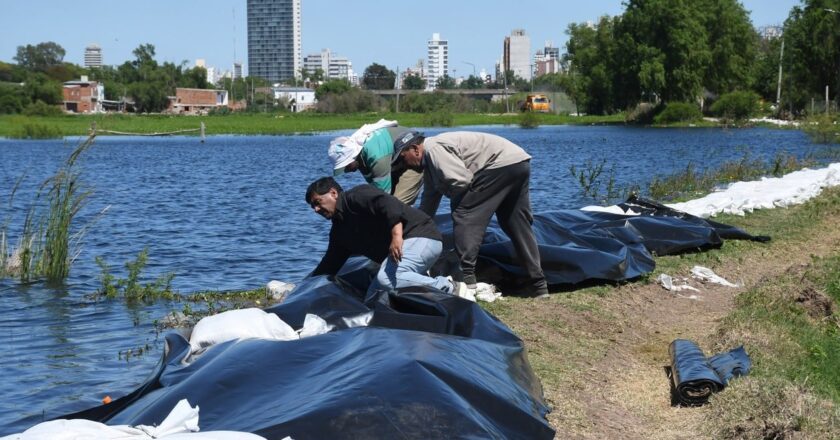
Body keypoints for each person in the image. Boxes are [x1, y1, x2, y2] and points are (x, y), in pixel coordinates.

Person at [392, 130, 549, 297]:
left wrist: (459, 205)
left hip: (498, 165)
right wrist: (415, 230)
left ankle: (467, 281)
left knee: (464, 213)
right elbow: (429, 201)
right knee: (515, 223)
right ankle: (538, 285)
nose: (404, 165)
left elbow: (461, 181)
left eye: (403, 158)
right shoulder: (430, 163)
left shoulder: (433, 149)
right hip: (518, 162)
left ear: (415, 149)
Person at [305, 177, 469, 299]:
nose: (316, 209)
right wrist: (302, 288)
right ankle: (430, 292)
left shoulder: (356, 196)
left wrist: (396, 236)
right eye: (313, 206)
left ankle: (449, 287)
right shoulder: (339, 231)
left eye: (318, 202)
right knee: (373, 296)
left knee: (386, 279)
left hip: (421, 237)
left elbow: (389, 204)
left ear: (333, 193)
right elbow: (329, 264)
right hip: (403, 254)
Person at [328, 120, 423, 205]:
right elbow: (375, 189)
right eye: (343, 168)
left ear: (353, 156)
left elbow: (383, 196)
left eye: (346, 166)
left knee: (397, 204)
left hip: (415, 156)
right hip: (397, 161)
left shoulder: (375, 157)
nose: (347, 171)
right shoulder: (360, 157)